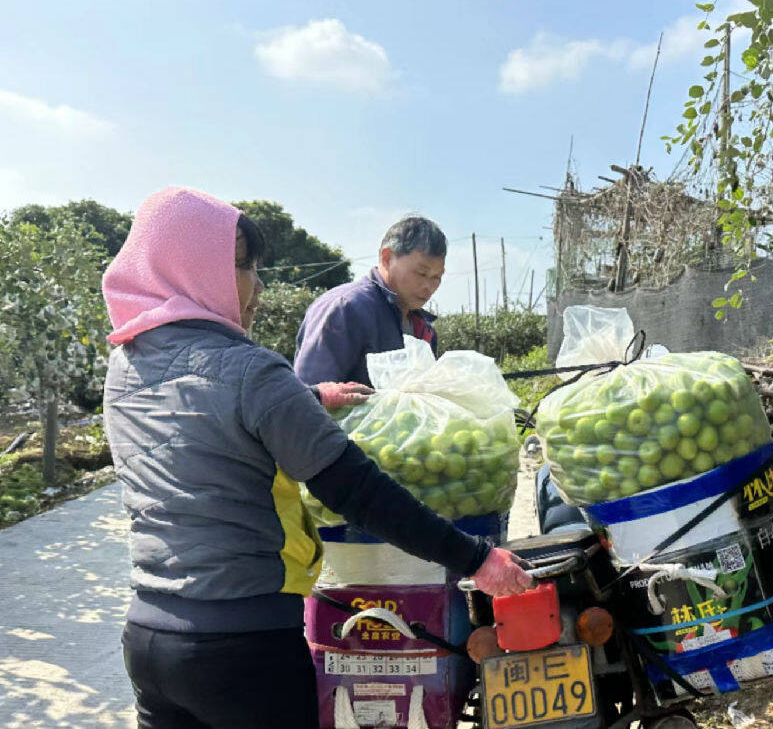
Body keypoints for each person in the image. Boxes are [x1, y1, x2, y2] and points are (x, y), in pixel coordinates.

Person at [102, 187, 531, 729]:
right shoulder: (253, 371)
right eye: (243, 266)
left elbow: (206, 409)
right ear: (190, 267)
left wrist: (312, 398)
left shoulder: (125, 368)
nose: (257, 284)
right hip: (244, 647)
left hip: (147, 642)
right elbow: (359, 491)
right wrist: (478, 560)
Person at [294, 215, 446, 387]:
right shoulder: (344, 308)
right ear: (387, 258)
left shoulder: (423, 328)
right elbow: (309, 397)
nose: (428, 286)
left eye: (437, 277)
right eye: (421, 273)